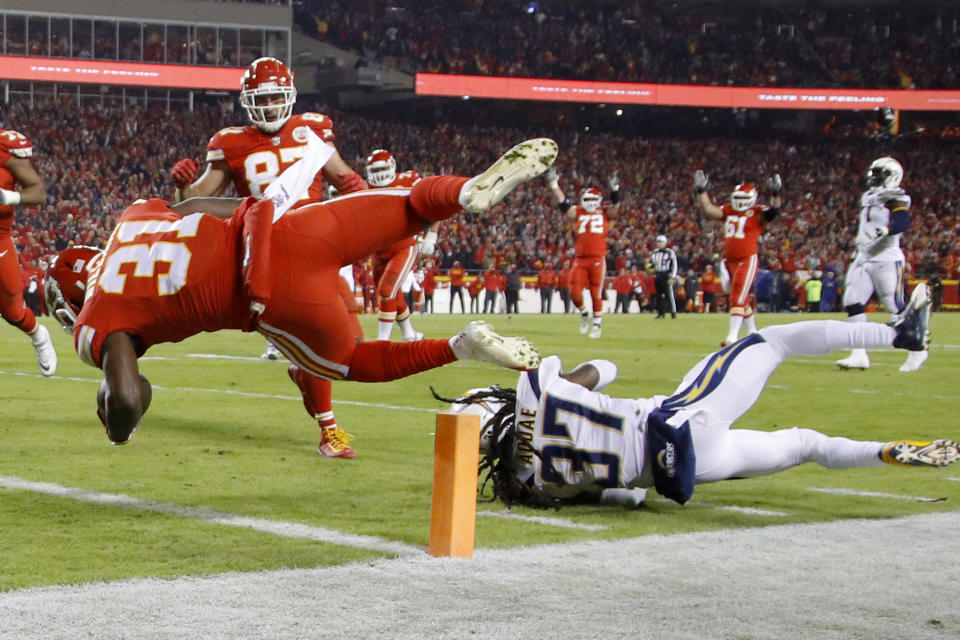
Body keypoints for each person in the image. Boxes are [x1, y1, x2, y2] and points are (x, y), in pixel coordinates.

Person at [45, 138, 558, 449]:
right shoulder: (133, 216)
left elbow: (130, 396)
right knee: (411, 207)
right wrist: (258, 211)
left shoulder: (97, 315)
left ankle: (460, 347)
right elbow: (197, 206)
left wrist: (118, 426)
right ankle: (466, 191)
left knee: (350, 360)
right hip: (282, 225)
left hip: (269, 294)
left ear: (71, 299)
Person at [442, 284, 953, 509]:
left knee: (803, 445)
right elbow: (601, 368)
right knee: (770, 340)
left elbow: (629, 497)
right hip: (681, 420)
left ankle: (884, 452)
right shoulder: (536, 389)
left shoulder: (532, 484)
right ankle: (895, 336)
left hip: (682, 469)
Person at [168, 57, 371, 457]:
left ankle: (303, 370)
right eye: (264, 98)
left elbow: (345, 178)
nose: (272, 105)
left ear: (290, 96)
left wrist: (362, 200)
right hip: (271, 254)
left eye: (278, 96)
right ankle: (329, 431)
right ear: (248, 101)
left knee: (351, 348)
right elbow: (195, 202)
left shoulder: (311, 130)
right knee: (323, 339)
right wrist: (181, 185)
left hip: (318, 248)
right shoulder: (230, 142)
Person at [834, 157, 926, 373]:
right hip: (863, 256)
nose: (874, 178)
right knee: (853, 301)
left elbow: (903, 220)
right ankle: (858, 354)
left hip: (886, 257)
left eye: (880, 174)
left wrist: (887, 229)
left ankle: (918, 349)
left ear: (893, 177)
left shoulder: (895, 196)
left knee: (893, 305)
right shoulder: (869, 195)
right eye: (873, 173)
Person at [694, 170, 782, 345]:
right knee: (736, 294)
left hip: (746, 258)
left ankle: (732, 337)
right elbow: (709, 208)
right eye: (738, 198)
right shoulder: (728, 209)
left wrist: (776, 193)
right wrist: (702, 190)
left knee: (737, 296)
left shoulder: (758, 212)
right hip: (729, 261)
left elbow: (774, 212)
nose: (740, 203)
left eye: (743, 199)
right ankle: (753, 331)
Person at [364, 148, 438, 342]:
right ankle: (409, 333)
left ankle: (382, 341)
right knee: (391, 294)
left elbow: (435, 202)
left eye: (383, 170)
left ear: (392, 167)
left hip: (403, 246)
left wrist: (432, 236)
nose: (379, 176)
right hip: (378, 250)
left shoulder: (409, 180)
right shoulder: (364, 189)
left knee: (387, 291)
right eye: (375, 171)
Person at [0, 125, 57, 376]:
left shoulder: (6, 150)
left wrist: (7, 197)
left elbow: (38, 191)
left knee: (13, 310)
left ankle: (39, 336)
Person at [546, 168, 622, 338]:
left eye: (593, 199)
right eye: (587, 199)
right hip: (580, 259)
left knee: (596, 292)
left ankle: (597, 324)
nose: (589, 202)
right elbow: (563, 202)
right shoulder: (577, 212)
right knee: (574, 292)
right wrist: (554, 185)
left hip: (597, 258)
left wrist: (615, 189)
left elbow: (616, 206)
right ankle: (585, 313)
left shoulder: (605, 213)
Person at [649, 235, 678, 319]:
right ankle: (661, 313)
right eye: (658, 242)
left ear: (665, 243)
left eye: (661, 242)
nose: (659, 244)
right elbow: (651, 264)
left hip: (666, 274)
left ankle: (673, 312)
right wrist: (649, 268)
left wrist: (672, 277)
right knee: (659, 295)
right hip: (658, 274)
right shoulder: (654, 253)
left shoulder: (669, 252)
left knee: (669, 294)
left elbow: (674, 265)